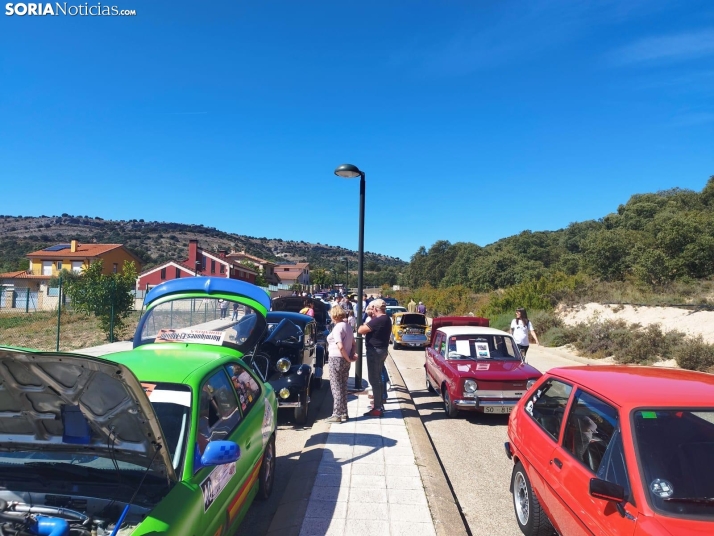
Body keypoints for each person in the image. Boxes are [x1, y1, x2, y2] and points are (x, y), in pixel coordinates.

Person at [357, 299, 392, 417]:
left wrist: (369, 318)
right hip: (382, 350)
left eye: (372, 309)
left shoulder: (379, 320)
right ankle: (379, 404)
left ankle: (377, 408)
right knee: (378, 378)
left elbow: (361, 330)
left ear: (376, 309)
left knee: (374, 379)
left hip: (374, 351)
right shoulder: (386, 319)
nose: (371, 311)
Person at [325, 306, 357, 423]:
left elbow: (340, 345)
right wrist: (351, 356)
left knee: (336, 387)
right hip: (344, 360)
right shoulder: (348, 327)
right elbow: (354, 344)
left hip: (336, 358)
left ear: (334, 316)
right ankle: (344, 412)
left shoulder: (337, 328)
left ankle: (337, 414)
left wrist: (347, 358)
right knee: (343, 386)